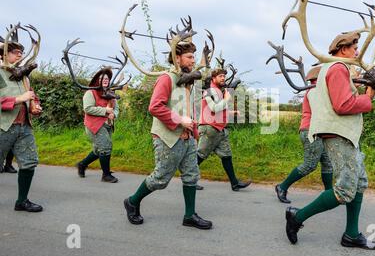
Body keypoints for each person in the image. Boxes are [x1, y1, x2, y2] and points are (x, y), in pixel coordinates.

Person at [285, 31, 375, 250]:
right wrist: (368, 98)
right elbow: (343, 105)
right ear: (343, 49)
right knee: (345, 190)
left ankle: (351, 234)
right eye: (354, 48)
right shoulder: (338, 68)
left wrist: (362, 93)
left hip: (344, 134)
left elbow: (343, 99)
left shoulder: (333, 69)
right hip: (339, 135)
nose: (357, 52)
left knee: (359, 183)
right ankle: (297, 218)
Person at [123, 41, 213, 230]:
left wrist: (193, 131)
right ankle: (132, 201)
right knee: (160, 179)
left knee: (191, 176)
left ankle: (189, 216)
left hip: (187, 138)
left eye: (194, 57)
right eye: (189, 57)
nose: (193, 60)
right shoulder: (166, 79)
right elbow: (155, 107)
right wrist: (180, 120)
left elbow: (190, 109)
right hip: (168, 138)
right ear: (177, 58)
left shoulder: (188, 81)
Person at [275, 66, 333, 203]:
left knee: (328, 163)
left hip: (320, 131)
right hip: (311, 131)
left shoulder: (318, 90)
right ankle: (282, 187)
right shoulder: (314, 91)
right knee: (310, 165)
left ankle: (330, 194)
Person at [0, 33, 43, 212]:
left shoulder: (24, 76)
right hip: (3, 127)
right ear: (4, 54)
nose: (20, 55)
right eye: (16, 52)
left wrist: (35, 106)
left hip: (23, 127)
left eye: (21, 52)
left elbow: (31, 96)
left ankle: (22, 201)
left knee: (29, 162)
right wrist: (19, 99)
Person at [196, 68, 251, 191]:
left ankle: (234, 183)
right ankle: (189, 180)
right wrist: (227, 99)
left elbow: (219, 110)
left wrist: (232, 112)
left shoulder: (218, 92)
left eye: (224, 76)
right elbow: (214, 108)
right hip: (209, 129)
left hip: (220, 129)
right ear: (213, 78)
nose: (223, 78)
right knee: (200, 155)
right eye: (220, 76)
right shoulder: (209, 92)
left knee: (226, 156)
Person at [77, 68, 119, 183]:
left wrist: (114, 114)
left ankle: (82, 164)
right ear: (97, 80)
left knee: (98, 150)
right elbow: (88, 108)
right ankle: (106, 175)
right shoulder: (90, 92)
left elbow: (116, 108)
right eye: (102, 78)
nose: (105, 80)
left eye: (106, 78)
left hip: (107, 125)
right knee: (105, 147)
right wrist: (105, 111)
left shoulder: (110, 93)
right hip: (94, 125)